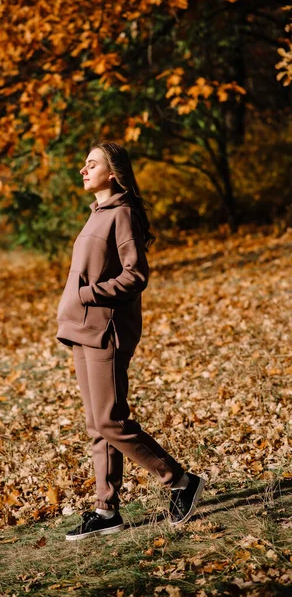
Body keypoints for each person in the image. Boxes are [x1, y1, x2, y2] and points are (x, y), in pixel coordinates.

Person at [56, 141, 205, 541]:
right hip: (82, 329)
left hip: (107, 329)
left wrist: (88, 295)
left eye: (92, 164)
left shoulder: (121, 214)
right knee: (96, 425)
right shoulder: (96, 215)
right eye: (83, 164)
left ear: (113, 172)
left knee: (110, 420)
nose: (83, 170)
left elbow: (135, 275)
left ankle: (179, 480)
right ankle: (106, 510)